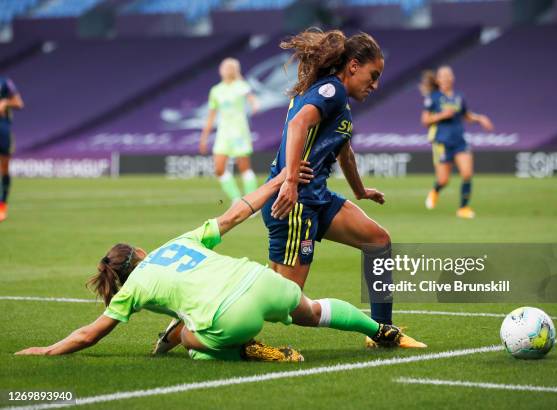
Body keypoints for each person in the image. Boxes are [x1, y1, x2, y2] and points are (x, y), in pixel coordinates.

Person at [15, 164, 426, 361]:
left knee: (191, 341)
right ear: (140, 252)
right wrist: (280, 178)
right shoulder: (178, 242)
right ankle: (383, 330)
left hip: (233, 317)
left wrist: (48, 350)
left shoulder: (134, 290)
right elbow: (235, 213)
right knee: (312, 310)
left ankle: (257, 352)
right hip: (263, 281)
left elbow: (90, 334)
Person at [261, 29, 395, 347]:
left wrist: (360, 191)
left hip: (317, 198)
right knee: (286, 304)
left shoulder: (338, 100)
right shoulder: (331, 91)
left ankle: (382, 331)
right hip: (297, 204)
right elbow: (297, 125)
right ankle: (198, 317)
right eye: (372, 75)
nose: (375, 85)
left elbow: (344, 151)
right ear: (352, 66)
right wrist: (291, 180)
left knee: (379, 241)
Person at [421, 66, 493, 219]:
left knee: (467, 173)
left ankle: (463, 208)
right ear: (438, 80)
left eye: (448, 76)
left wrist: (480, 118)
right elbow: (425, 120)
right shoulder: (433, 97)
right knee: (443, 180)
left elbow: (465, 115)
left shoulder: (459, 97)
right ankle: (435, 190)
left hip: (460, 141)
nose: (446, 78)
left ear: (453, 79)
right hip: (442, 143)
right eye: (442, 76)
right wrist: (442, 115)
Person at [199, 58, 259, 205]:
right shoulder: (216, 90)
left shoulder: (241, 86)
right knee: (219, 168)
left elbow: (253, 100)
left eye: (228, 68)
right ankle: (236, 199)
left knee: (244, 167)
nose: (225, 70)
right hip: (223, 134)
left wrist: (254, 104)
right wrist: (204, 137)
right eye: (223, 67)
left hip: (239, 132)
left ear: (234, 70)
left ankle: (251, 203)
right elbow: (211, 115)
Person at [0, 75, 24, 222]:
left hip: (2, 129)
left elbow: (19, 103)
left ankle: (2, 206)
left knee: (4, 168)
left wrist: (5, 102)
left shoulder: (4, 82)